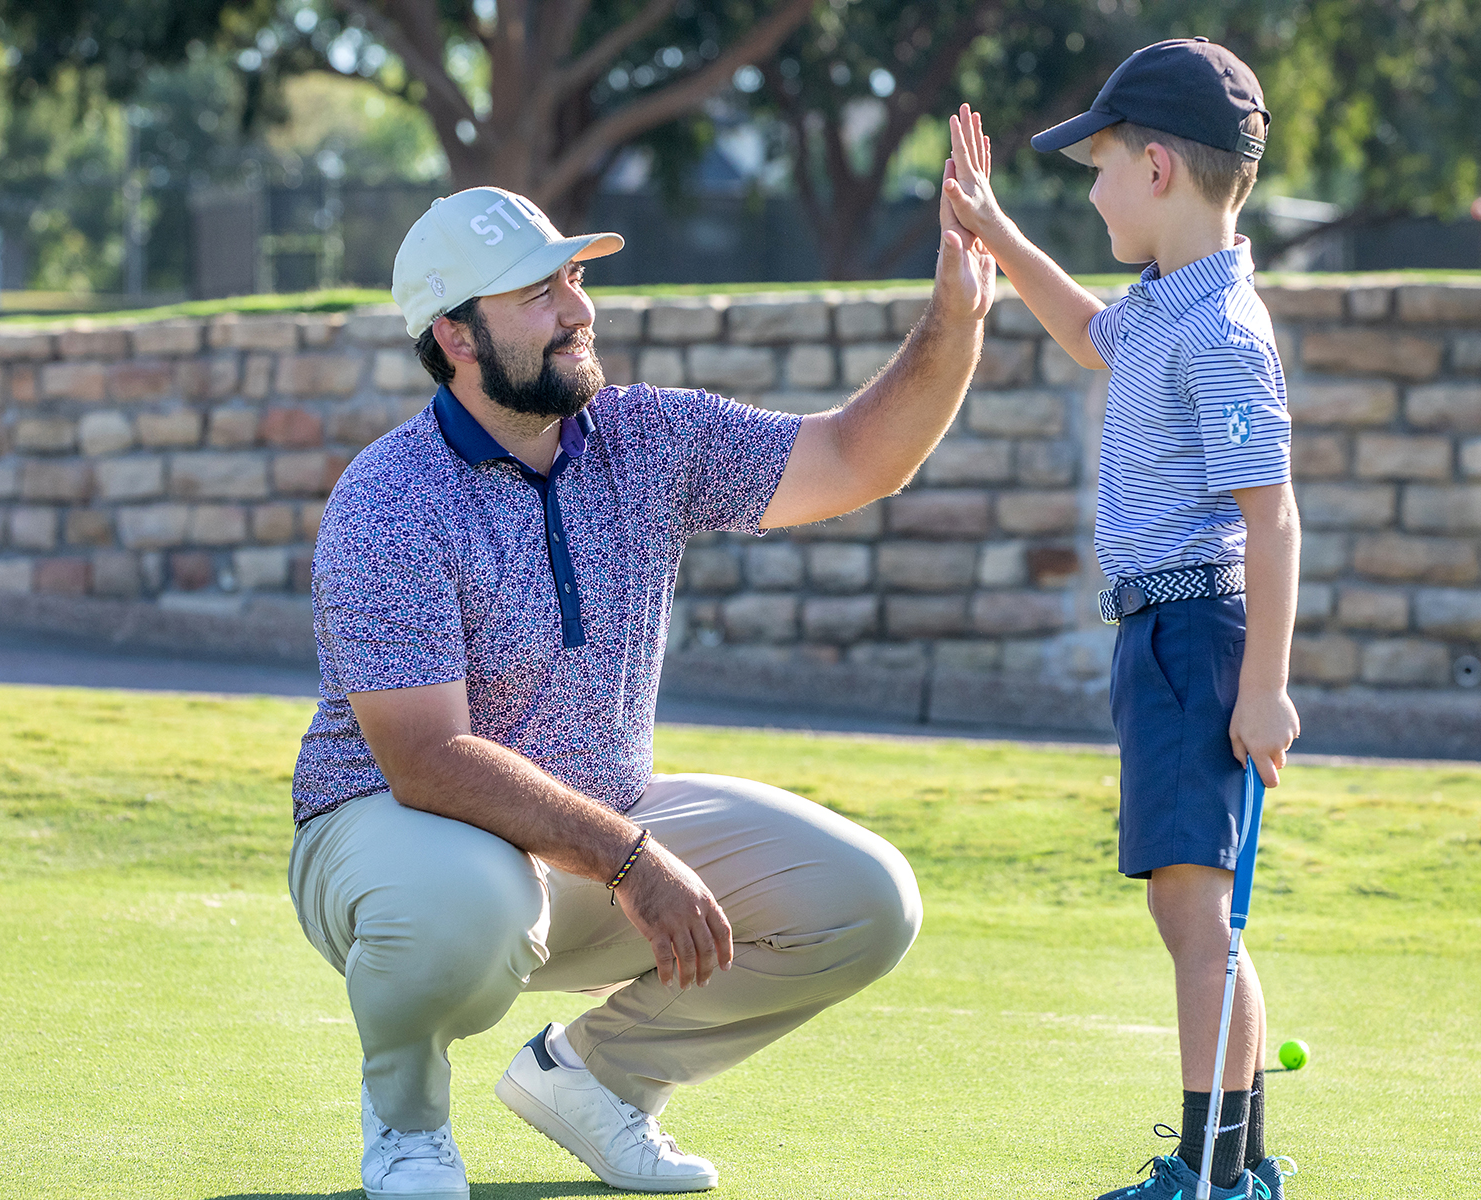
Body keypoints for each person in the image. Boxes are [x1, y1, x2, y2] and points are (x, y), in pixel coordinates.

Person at [286, 181, 995, 1199]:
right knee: (468, 904)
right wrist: (632, 860)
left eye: (573, 279)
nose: (577, 309)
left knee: (866, 899)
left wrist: (954, 320)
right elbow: (426, 762)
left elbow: (855, 458)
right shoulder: (388, 497)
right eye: (536, 294)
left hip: (595, 842)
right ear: (456, 336)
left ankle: (595, 1078)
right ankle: (406, 1124)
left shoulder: (647, 437)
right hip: (394, 841)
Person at [941, 38, 1301, 1200]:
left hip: (1197, 639)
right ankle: (1239, 1166)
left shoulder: (1224, 330)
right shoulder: (1158, 310)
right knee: (1195, 914)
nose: (1091, 193)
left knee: (1195, 915)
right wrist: (995, 232)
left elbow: (1273, 518)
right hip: (1157, 638)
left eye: (1098, 168)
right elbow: (1088, 332)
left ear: (1156, 168)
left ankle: (1209, 1175)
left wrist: (1264, 689)